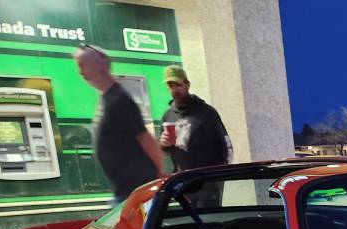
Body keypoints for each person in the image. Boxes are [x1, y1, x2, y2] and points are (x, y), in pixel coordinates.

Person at [75, 44, 162, 200]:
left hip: (135, 190)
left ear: (100, 65)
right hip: (125, 190)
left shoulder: (119, 99)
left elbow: (145, 137)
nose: (80, 72)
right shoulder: (107, 98)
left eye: (82, 65)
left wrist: (160, 172)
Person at [159, 65, 231, 172]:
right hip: (182, 180)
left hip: (206, 179)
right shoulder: (167, 115)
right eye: (170, 86)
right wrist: (163, 144)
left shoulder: (207, 112)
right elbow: (165, 151)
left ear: (187, 84)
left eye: (178, 85)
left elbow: (226, 146)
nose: (174, 90)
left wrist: (217, 178)